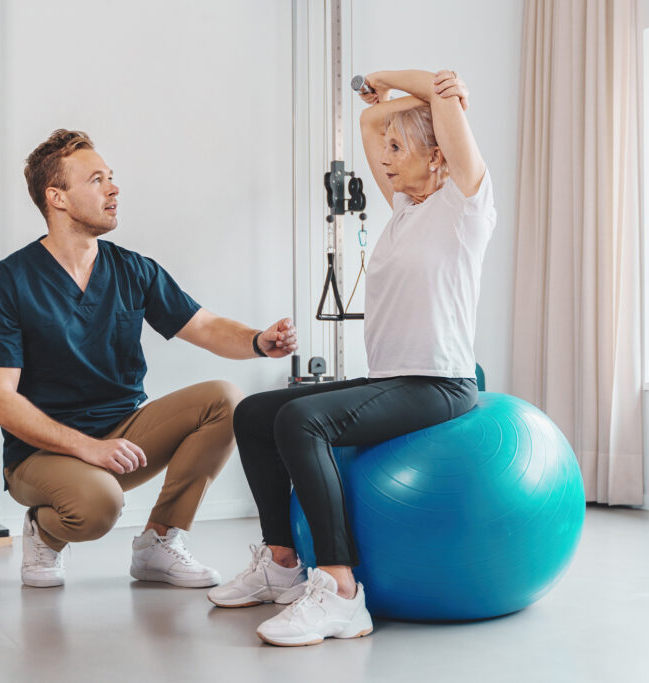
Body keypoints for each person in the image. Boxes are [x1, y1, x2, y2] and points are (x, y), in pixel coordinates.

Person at [208, 69, 496, 647]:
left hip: (440, 383)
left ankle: (341, 593)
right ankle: (283, 566)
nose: (384, 158)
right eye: (386, 150)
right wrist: (387, 104)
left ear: (438, 155)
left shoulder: (466, 206)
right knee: (255, 413)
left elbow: (440, 100)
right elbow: (369, 120)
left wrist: (398, 83)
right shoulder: (402, 209)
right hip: (390, 377)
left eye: (400, 148)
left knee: (301, 420)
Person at [0, 129, 297, 589]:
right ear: (56, 197)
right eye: (97, 179)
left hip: (122, 437)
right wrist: (87, 448)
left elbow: (203, 326)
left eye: (111, 177)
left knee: (226, 400)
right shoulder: (9, 282)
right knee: (98, 506)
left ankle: (159, 544)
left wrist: (258, 340)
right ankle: (42, 532)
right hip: (39, 455)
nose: (114, 188)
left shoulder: (131, 269)